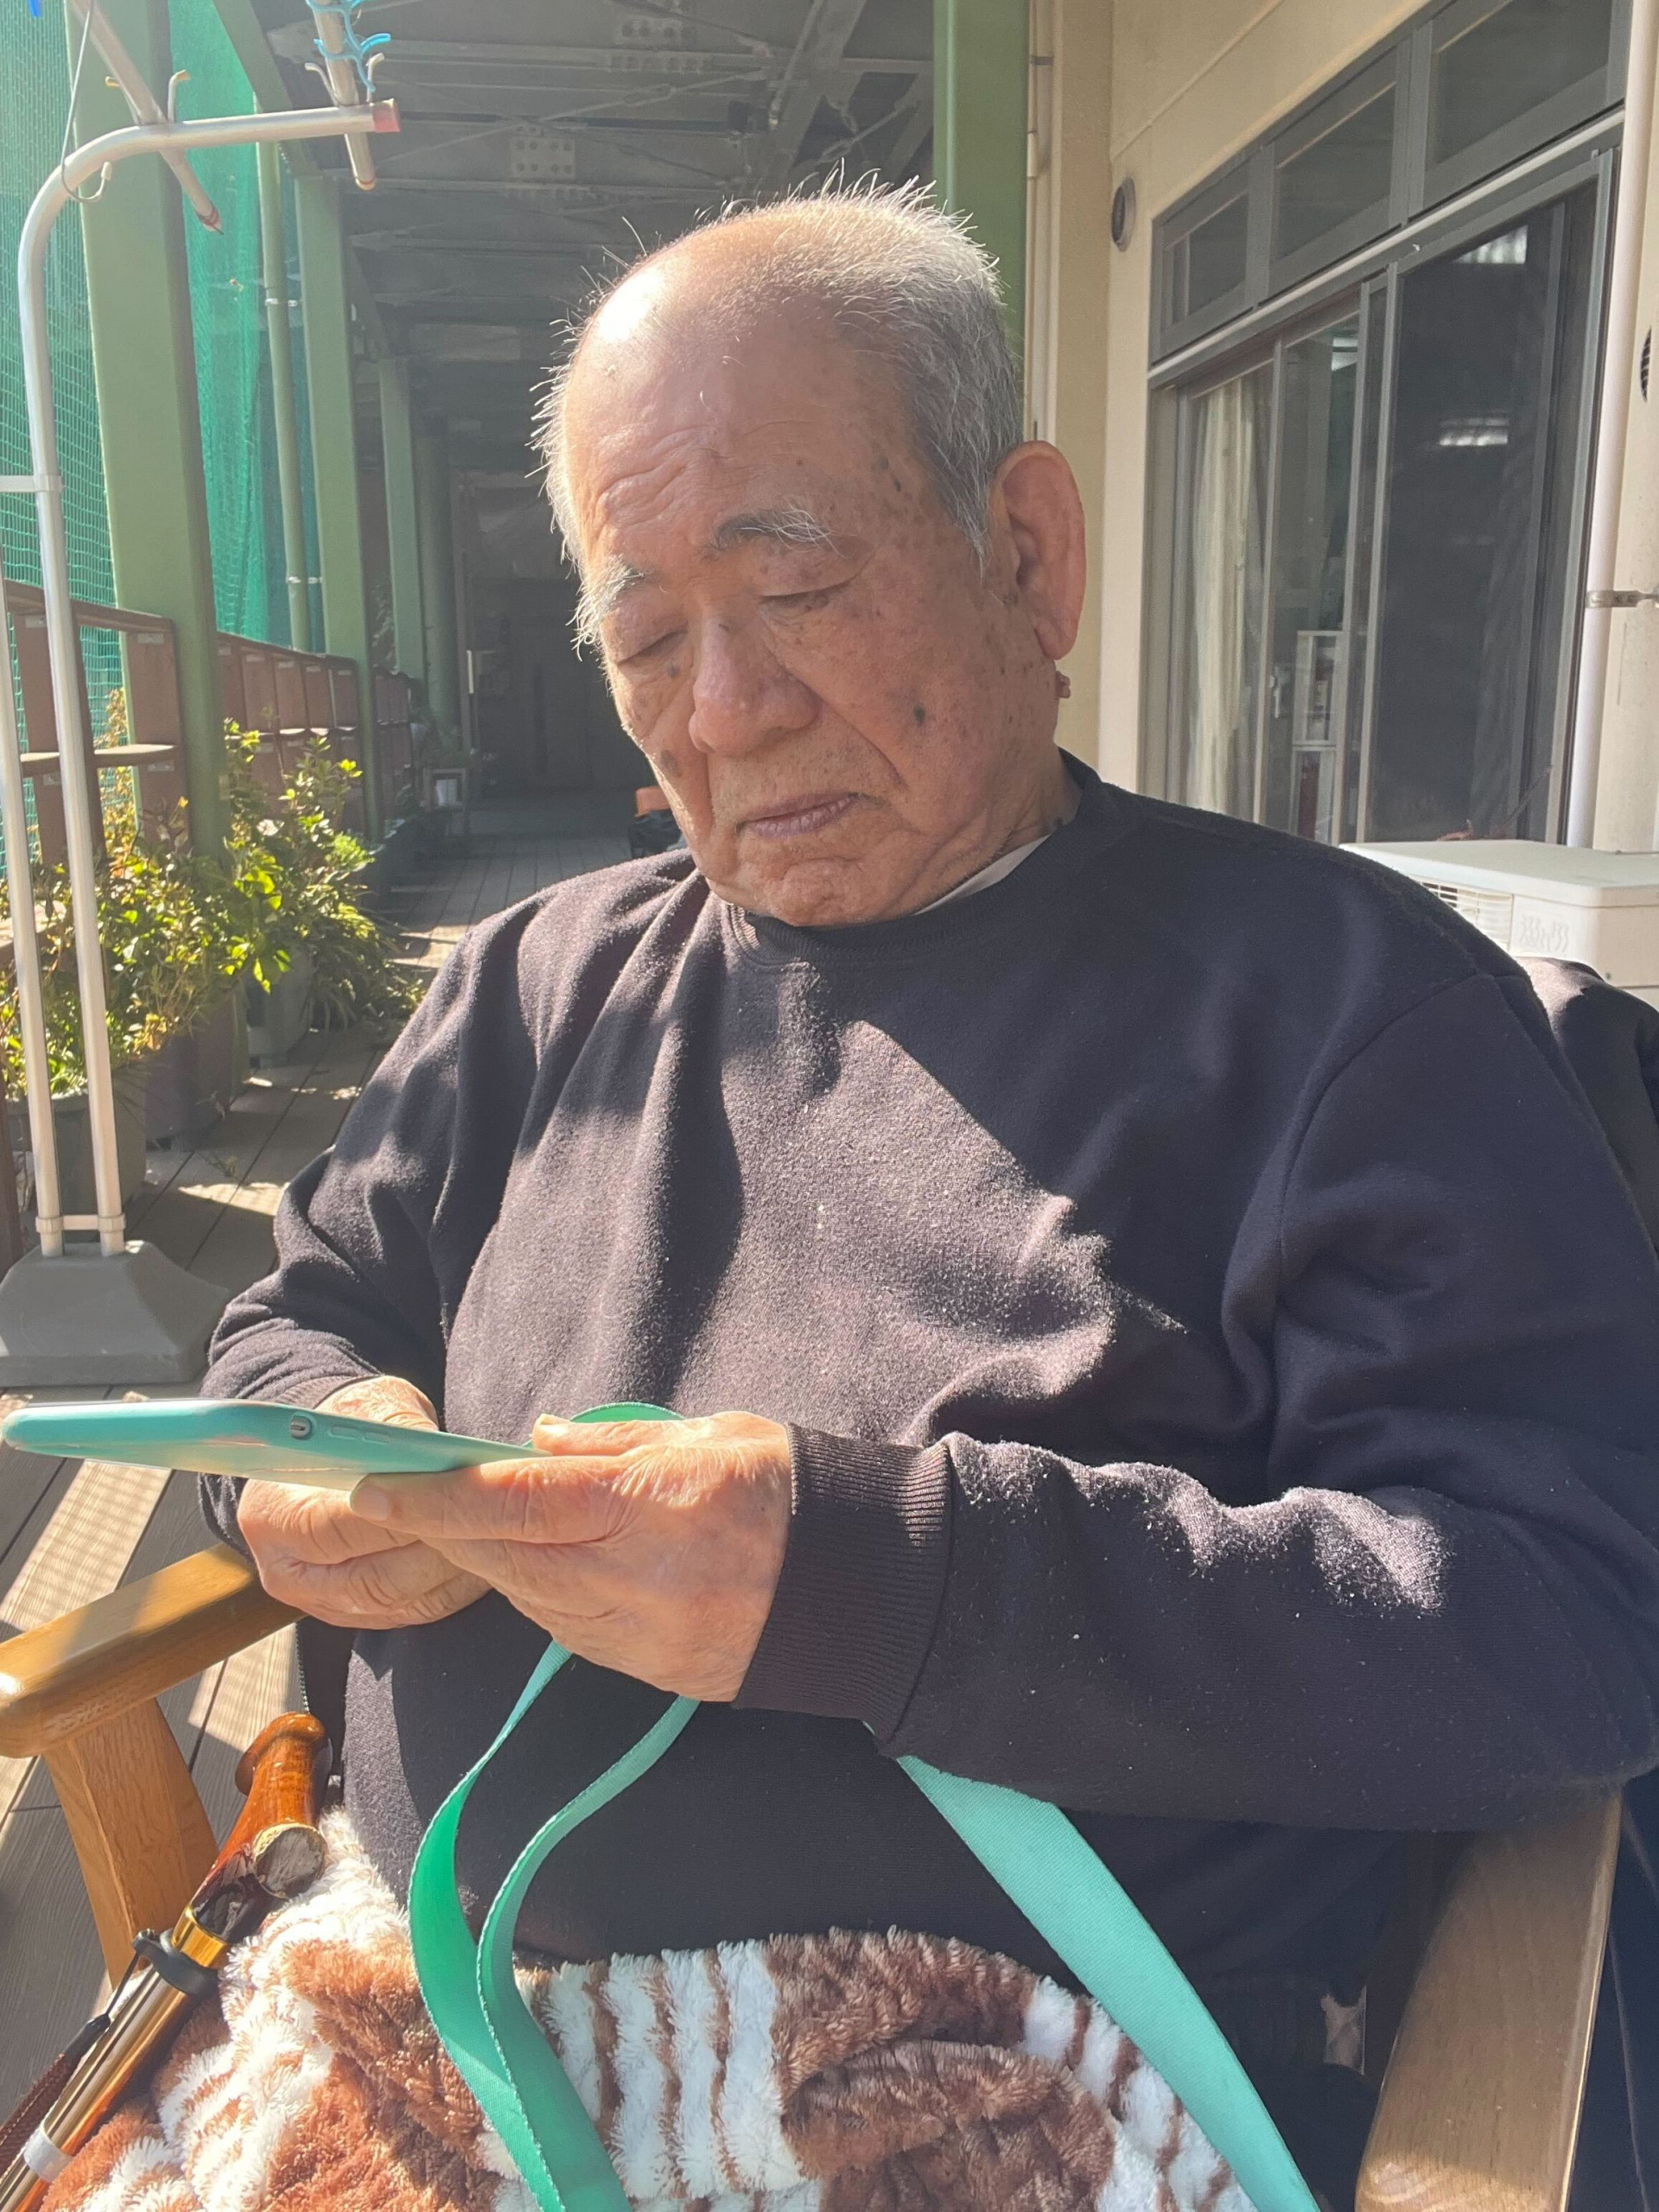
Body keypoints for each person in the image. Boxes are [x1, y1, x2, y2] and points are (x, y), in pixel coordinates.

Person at [204, 185, 1659, 2209]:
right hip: (440, 2032)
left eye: (793, 585)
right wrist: (311, 1463)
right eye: (646, 636)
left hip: (1025, 2101)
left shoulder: (1348, 1017)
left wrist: (878, 1573)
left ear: (1028, 552)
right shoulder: (535, 987)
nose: (723, 709)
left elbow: (1565, 1612)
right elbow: (296, 1318)